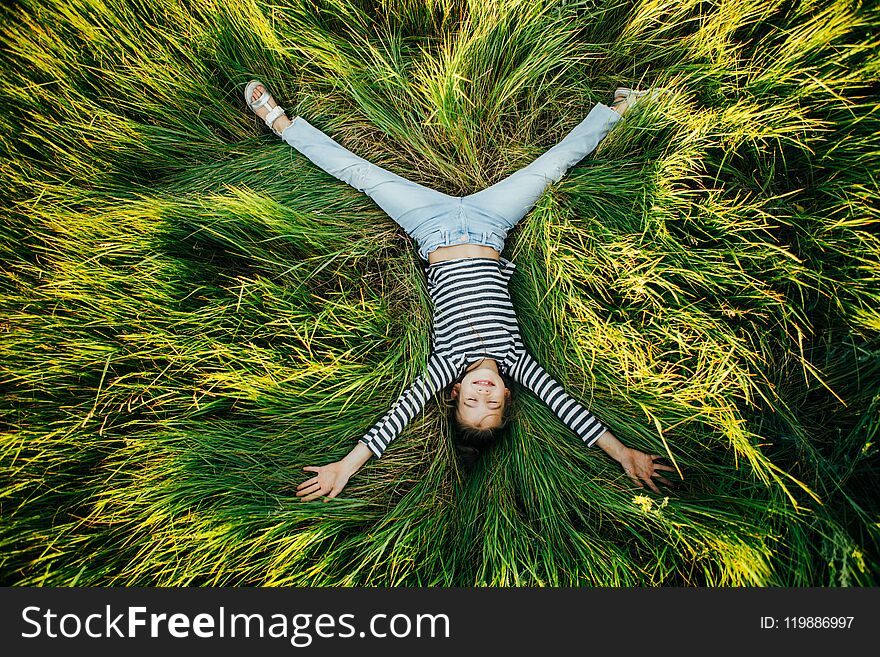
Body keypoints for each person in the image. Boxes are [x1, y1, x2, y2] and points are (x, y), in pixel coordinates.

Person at [244, 80, 675, 500]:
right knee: (553, 165)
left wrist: (345, 466)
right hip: (491, 224)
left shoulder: (443, 366)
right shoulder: (518, 363)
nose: (484, 396)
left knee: (362, 174)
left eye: (473, 402)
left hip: (429, 228)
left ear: (454, 394)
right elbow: (569, 410)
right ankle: (622, 106)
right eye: (494, 405)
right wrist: (621, 454)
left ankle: (281, 123)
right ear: (508, 394)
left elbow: (392, 422)